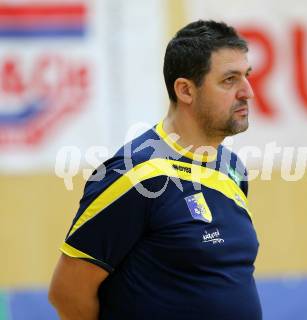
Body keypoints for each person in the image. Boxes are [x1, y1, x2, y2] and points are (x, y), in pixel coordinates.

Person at [49, 20, 261, 320]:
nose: (248, 92)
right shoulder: (135, 175)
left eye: (246, 76)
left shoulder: (232, 169)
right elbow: (67, 292)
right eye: (229, 80)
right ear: (186, 90)